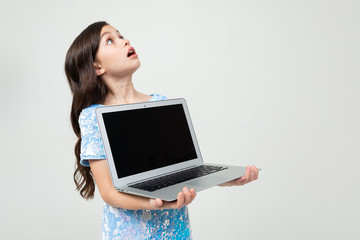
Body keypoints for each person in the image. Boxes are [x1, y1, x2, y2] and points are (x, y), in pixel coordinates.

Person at [65, 21, 259, 240]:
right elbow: (109, 193)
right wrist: (154, 203)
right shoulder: (93, 117)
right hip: (131, 233)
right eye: (110, 40)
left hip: (174, 230)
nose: (125, 41)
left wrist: (225, 178)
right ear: (97, 67)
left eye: (121, 36)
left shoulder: (161, 103)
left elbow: (186, 170)